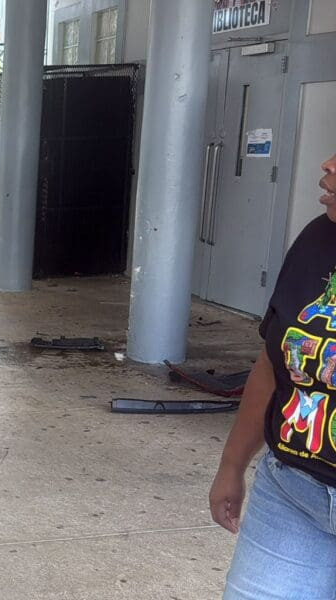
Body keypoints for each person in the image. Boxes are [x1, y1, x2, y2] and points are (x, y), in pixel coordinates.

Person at [210, 153, 336, 599]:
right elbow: (274, 360)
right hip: (292, 493)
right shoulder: (317, 239)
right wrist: (232, 464)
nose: (328, 164)